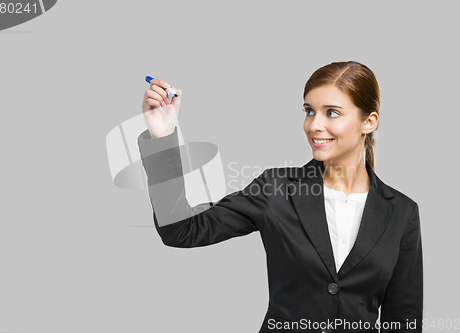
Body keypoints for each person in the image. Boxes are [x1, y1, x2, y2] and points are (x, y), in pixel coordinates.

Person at [137, 61, 423, 333]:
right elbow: (180, 229)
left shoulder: (401, 212)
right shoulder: (276, 189)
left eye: (331, 113)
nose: (314, 125)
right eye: (309, 111)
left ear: (369, 122)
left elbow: (403, 320)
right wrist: (163, 137)